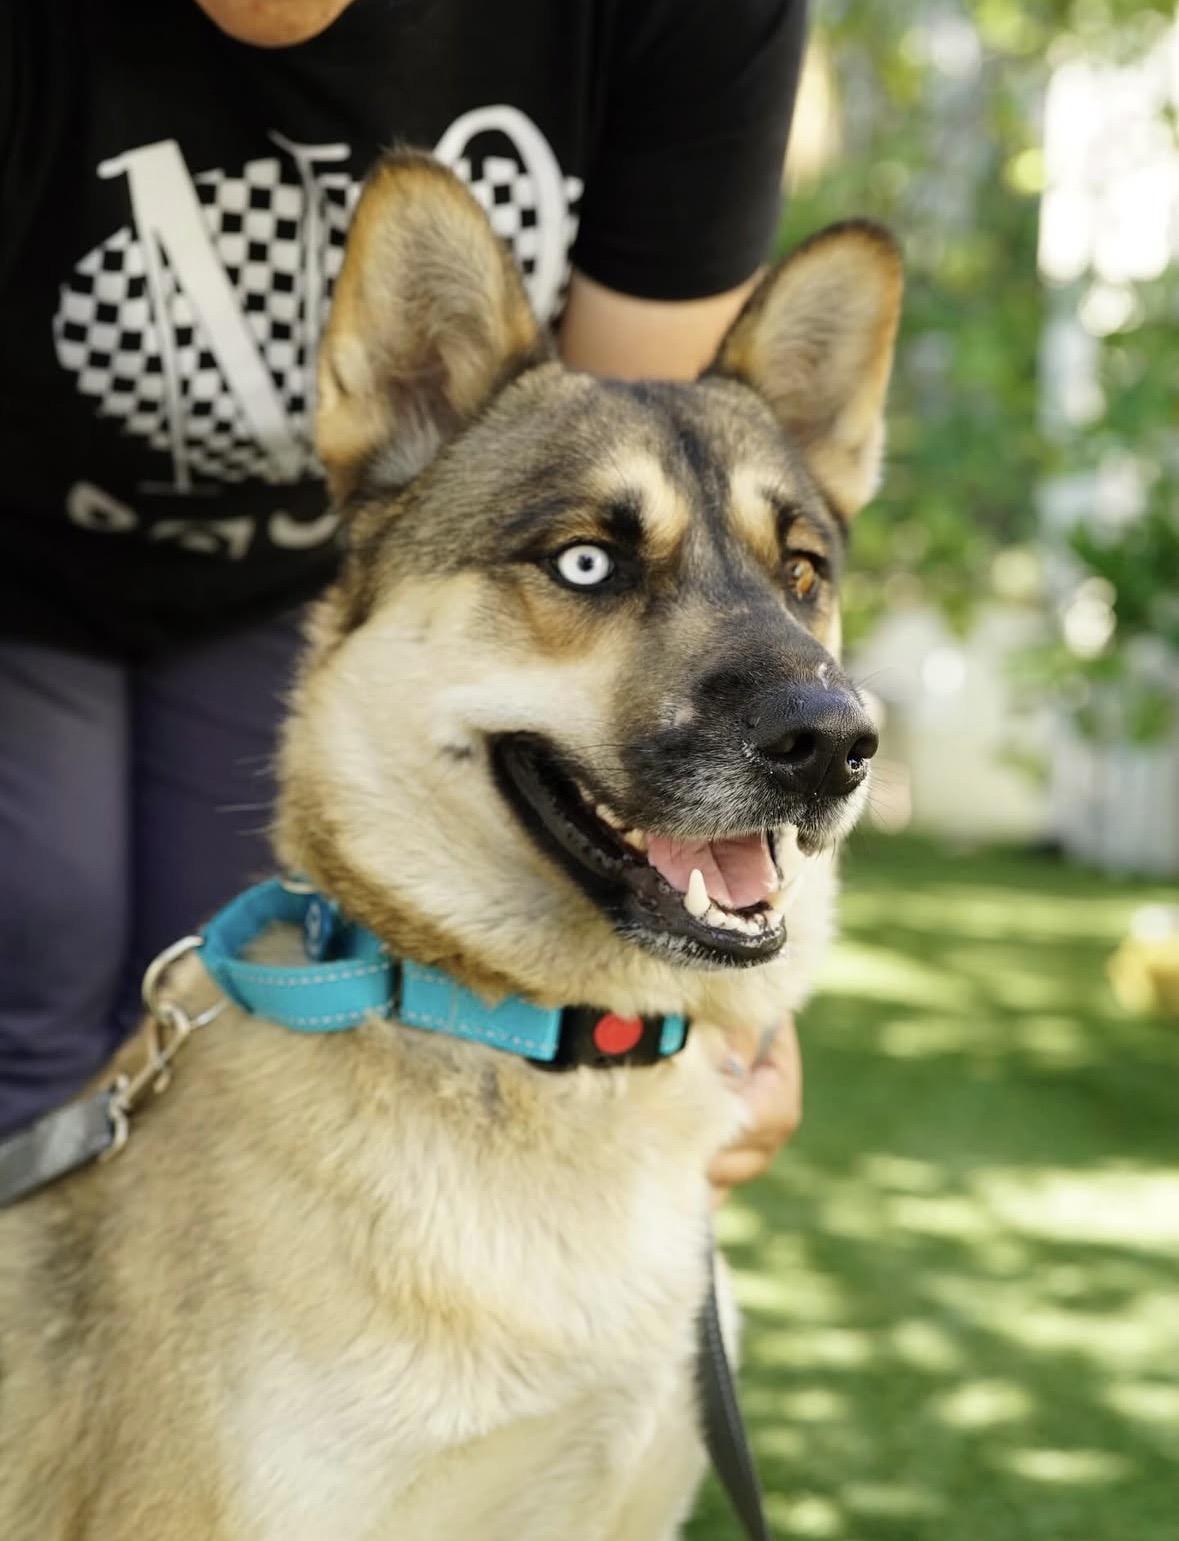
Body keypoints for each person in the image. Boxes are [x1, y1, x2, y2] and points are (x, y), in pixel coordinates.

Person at [0, 0, 806, 1183]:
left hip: (332, 581)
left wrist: (717, 948)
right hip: (16, 559)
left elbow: (642, 507)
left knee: (248, 1010)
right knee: (31, 942)